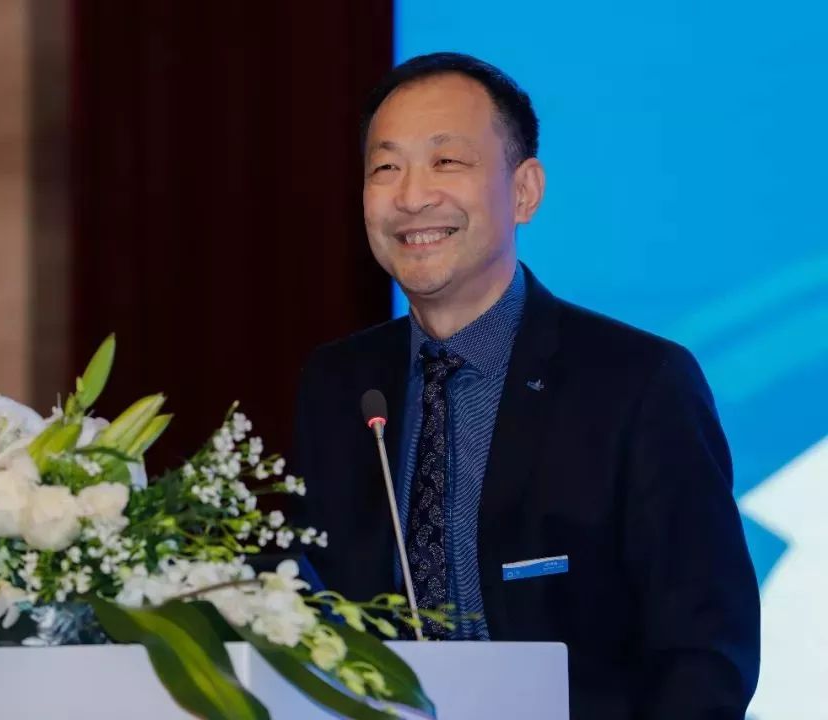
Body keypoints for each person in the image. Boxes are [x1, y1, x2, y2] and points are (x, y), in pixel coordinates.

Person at [290, 52, 760, 719]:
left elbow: (706, 651)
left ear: (525, 191)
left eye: (447, 161)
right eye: (385, 168)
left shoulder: (639, 383)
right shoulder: (338, 383)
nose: (412, 196)